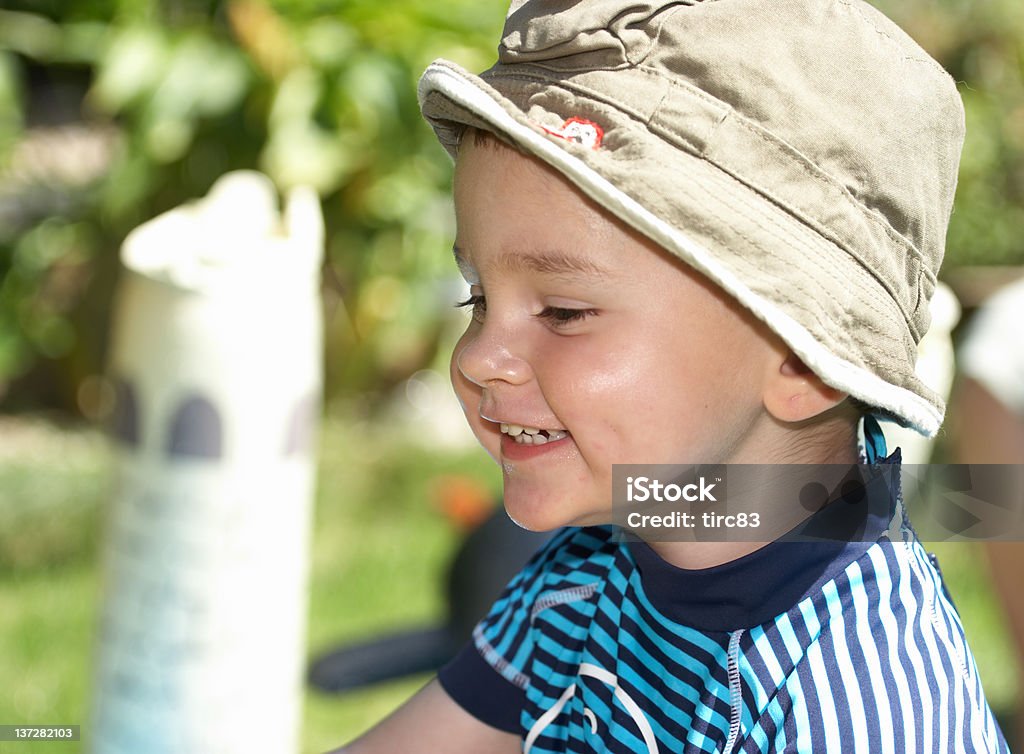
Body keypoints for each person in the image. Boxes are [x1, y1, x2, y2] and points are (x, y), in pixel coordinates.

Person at [333, 0, 1011, 751]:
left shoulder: (858, 714)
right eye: (479, 298)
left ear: (802, 358)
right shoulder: (589, 577)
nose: (476, 356)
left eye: (561, 311)